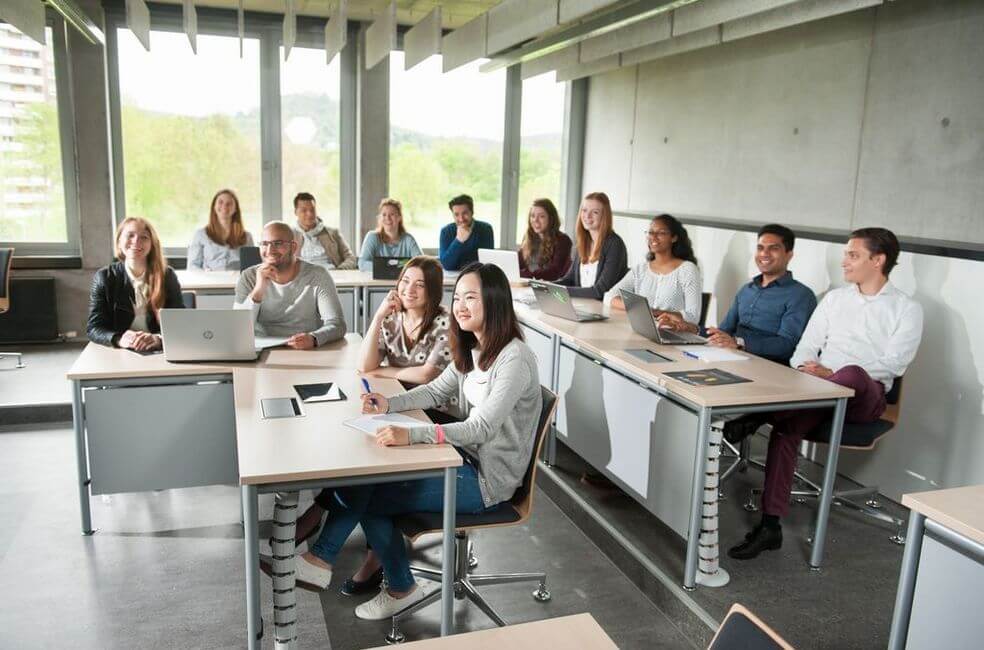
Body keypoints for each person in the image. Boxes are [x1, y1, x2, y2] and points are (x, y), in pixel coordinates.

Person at [294, 262, 542, 622]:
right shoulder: (474, 344)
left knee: (369, 496)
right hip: (458, 457)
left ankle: (371, 576)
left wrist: (412, 435)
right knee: (367, 481)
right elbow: (437, 389)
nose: (460, 306)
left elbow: (482, 428)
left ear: (495, 302)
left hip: (488, 481)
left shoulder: (514, 357)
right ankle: (338, 565)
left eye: (471, 298)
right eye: (458, 297)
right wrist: (389, 403)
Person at [725, 227, 923, 560]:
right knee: (787, 430)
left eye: (853, 255)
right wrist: (808, 369)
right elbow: (804, 349)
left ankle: (760, 413)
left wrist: (832, 374)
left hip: (866, 397)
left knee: (853, 373)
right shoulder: (835, 299)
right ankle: (770, 526)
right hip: (818, 393)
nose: (844, 261)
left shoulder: (906, 308)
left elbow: (894, 364)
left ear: (878, 260)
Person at [286, 256, 453, 597]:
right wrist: (378, 315)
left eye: (419, 284)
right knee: (358, 453)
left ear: (433, 291)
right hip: (397, 406)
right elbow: (365, 364)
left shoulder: (444, 323)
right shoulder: (394, 317)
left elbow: (426, 376)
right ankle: (326, 550)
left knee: (371, 475)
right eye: (405, 281)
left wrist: (386, 373)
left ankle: (331, 547)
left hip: (435, 418)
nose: (409, 289)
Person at [701, 224, 816, 364]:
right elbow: (724, 331)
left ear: (789, 254)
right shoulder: (747, 289)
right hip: (731, 356)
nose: (764, 254)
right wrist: (689, 328)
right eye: (760, 248)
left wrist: (739, 343)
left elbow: (787, 345)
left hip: (767, 365)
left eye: (773, 248)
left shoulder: (800, 295)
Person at [235, 221, 346, 348]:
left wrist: (314, 338)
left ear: (293, 247)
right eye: (265, 244)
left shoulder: (317, 275)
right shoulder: (248, 276)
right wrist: (258, 291)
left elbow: (337, 324)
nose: (270, 250)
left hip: (305, 349)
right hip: (262, 349)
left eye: (278, 243)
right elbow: (239, 329)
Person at [87, 217, 183, 351]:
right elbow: (94, 328)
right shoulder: (104, 277)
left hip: (159, 350)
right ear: (119, 240)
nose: (136, 241)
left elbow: (181, 323)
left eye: (144, 237)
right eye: (130, 235)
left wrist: (159, 339)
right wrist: (119, 339)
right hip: (120, 351)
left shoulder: (167, 276)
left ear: (152, 244)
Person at [610, 214, 702, 328]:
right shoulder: (641, 269)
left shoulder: (688, 270)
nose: (653, 237)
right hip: (643, 330)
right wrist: (647, 311)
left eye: (661, 233)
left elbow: (693, 316)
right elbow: (610, 296)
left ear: (674, 238)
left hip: (673, 334)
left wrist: (659, 313)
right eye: (650, 232)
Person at [556, 192, 628, 300]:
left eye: (595, 212)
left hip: (602, 311)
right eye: (584, 210)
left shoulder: (614, 244)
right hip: (581, 305)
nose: (587, 216)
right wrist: (544, 286)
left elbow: (600, 291)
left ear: (604, 216)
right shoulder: (584, 242)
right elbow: (569, 279)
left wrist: (560, 291)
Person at [186, 189, 255, 271]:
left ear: (235, 208)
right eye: (220, 202)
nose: (224, 206)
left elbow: (252, 268)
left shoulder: (247, 237)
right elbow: (193, 266)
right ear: (214, 206)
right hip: (210, 282)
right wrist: (205, 275)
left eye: (229, 204)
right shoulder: (200, 234)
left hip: (237, 282)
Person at [292, 192, 357, 269]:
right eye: (304, 210)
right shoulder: (289, 235)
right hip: (303, 277)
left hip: (331, 275)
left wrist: (340, 270)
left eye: (312, 209)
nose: (309, 214)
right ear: (295, 212)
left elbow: (351, 258)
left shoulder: (333, 233)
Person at [357, 198, 423, 272]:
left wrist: (387, 266)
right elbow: (362, 264)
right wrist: (394, 265)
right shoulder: (372, 237)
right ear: (379, 218)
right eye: (384, 215)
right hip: (377, 283)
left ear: (399, 218)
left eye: (392, 214)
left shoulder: (408, 239)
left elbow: (421, 262)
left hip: (403, 282)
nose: (387, 218)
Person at [518, 198, 573, 281]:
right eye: (532, 216)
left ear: (551, 219)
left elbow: (555, 271)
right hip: (528, 283)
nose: (535, 220)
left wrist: (529, 276)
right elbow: (518, 263)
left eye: (541, 216)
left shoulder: (563, 240)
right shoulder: (528, 238)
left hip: (548, 287)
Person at [438, 194, 494, 271]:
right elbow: (446, 265)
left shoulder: (485, 229)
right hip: (453, 277)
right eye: (456, 214)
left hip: (478, 275)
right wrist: (458, 241)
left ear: (472, 212)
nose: (461, 219)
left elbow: (487, 263)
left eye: (465, 213)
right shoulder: (446, 231)